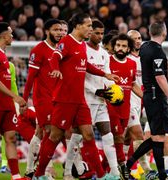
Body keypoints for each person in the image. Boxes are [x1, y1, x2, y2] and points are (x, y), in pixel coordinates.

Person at [32, 13, 119, 180]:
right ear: (78, 26)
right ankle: (39, 174)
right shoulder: (66, 41)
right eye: (88, 26)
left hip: (80, 100)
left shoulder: (81, 45)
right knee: (55, 136)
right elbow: (54, 57)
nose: (91, 30)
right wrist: (56, 69)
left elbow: (84, 65)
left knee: (88, 135)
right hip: (65, 100)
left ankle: (101, 175)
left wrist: (105, 74)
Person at [63, 19, 120, 180]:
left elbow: (106, 75)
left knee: (107, 135)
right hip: (85, 100)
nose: (100, 36)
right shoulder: (83, 49)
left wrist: (114, 90)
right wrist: (97, 90)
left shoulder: (103, 53)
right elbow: (81, 76)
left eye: (102, 33)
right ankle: (68, 170)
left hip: (101, 101)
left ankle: (114, 172)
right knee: (77, 137)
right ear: (90, 32)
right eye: (96, 33)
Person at [126, 22, 168, 180]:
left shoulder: (145, 47)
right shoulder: (157, 51)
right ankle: (128, 166)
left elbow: (157, 67)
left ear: (149, 33)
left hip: (148, 95)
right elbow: (160, 76)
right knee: (158, 137)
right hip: (156, 96)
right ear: (164, 32)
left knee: (157, 137)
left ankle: (160, 174)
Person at [0, 22, 28, 180]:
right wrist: (14, 96)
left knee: (10, 138)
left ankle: (15, 176)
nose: (12, 36)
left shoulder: (2, 53)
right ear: (3, 35)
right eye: (10, 33)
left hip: (6, 105)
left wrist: (12, 100)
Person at [22, 19, 63, 178]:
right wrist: (24, 100)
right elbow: (30, 78)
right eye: (55, 29)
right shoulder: (38, 50)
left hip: (58, 98)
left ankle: (30, 170)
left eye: (61, 30)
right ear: (47, 31)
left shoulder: (61, 49)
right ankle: (46, 171)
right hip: (43, 98)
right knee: (50, 132)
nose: (59, 32)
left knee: (39, 132)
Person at [107, 33, 143, 180]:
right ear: (114, 47)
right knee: (118, 138)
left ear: (128, 49)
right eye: (118, 45)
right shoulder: (107, 61)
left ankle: (108, 169)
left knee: (121, 139)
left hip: (126, 108)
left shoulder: (132, 64)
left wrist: (145, 98)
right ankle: (123, 169)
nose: (120, 48)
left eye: (124, 46)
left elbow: (133, 84)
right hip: (111, 107)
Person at [125, 30, 157, 179]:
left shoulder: (144, 58)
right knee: (138, 135)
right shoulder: (125, 58)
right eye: (134, 39)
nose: (138, 41)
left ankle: (121, 168)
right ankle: (147, 169)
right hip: (128, 101)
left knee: (126, 139)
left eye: (139, 38)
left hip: (139, 102)